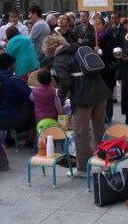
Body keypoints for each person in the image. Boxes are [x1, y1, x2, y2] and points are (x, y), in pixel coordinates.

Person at [43, 35, 108, 177]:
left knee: (80, 133)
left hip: (83, 97)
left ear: (49, 50)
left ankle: (82, 169)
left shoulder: (59, 59)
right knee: (99, 129)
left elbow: (66, 81)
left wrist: (60, 94)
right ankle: (104, 162)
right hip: (100, 91)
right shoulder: (78, 49)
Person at [0, 53, 35, 138]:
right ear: (9, 66)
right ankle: (31, 138)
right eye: (13, 64)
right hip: (9, 119)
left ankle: (9, 136)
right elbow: (32, 97)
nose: (15, 66)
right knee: (34, 105)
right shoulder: (14, 81)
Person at [94, 16, 117, 124]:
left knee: (108, 95)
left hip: (107, 70)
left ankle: (108, 116)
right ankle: (99, 116)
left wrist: (100, 51)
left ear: (103, 25)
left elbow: (112, 53)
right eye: (95, 24)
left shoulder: (109, 36)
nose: (96, 26)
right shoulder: (94, 37)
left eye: (98, 24)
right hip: (97, 71)